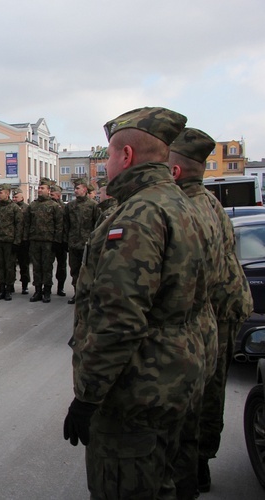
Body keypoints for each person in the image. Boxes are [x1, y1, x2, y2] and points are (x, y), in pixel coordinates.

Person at [63, 106, 209, 499]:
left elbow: (119, 321)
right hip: (174, 374)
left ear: (125, 157)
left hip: (138, 388)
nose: (105, 165)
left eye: (108, 155)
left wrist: (87, 396)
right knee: (162, 481)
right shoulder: (181, 203)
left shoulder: (140, 214)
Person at [169, 127, 253, 495]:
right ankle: (200, 463)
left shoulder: (188, 205)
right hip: (226, 304)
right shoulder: (205, 198)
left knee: (202, 392)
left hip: (216, 309)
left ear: (174, 171)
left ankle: (196, 466)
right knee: (210, 389)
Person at [23, 178, 63, 303]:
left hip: (48, 241)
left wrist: (57, 241)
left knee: (47, 267)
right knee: (36, 267)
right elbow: (27, 223)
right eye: (39, 188)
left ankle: (47, 291)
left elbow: (59, 225)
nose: (40, 190)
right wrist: (26, 240)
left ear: (48, 190)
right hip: (35, 240)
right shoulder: (32, 205)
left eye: (42, 188)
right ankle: (38, 290)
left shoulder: (54, 206)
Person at [63, 178, 100, 304]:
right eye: (75, 188)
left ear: (84, 189)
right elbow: (66, 224)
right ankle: (76, 293)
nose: (75, 191)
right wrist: (66, 241)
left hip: (87, 243)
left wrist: (94, 241)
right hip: (73, 243)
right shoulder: (70, 206)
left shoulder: (93, 205)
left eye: (78, 188)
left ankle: (88, 294)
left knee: (88, 270)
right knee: (74, 270)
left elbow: (97, 224)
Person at [0, 184, 23, 301]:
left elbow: (19, 226)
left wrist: (17, 242)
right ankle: (1, 289)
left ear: (7, 194)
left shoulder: (14, 208)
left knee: (9, 266)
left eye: (1, 192)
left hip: (10, 241)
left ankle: (9, 289)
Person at [49, 183, 68, 297]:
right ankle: (47, 287)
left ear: (58, 195)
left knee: (61, 266)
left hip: (61, 241)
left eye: (53, 194)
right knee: (47, 265)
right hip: (50, 240)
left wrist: (65, 241)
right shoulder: (48, 206)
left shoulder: (65, 208)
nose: (51, 196)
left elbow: (67, 224)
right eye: (50, 194)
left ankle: (60, 287)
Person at [12, 187, 30, 295]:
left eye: (16, 197)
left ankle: (25, 285)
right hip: (13, 240)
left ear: (22, 197)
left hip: (23, 241)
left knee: (24, 265)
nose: (14, 199)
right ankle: (11, 284)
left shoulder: (27, 208)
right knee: (11, 265)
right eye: (13, 197)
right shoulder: (11, 208)